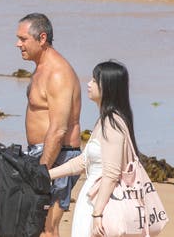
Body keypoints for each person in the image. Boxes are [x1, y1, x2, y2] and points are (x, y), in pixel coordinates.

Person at [47, 60, 139, 237]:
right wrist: (47, 174)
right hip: (95, 198)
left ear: (108, 87)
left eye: (95, 81)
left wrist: (97, 213)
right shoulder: (105, 120)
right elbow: (84, 162)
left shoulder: (112, 123)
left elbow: (111, 174)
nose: (89, 84)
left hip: (103, 203)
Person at [16, 13, 82, 237]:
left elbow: (59, 129)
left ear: (41, 38)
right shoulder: (41, 68)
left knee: (46, 227)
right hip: (43, 153)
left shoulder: (58, 73)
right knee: (36, 225)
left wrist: (41, 171)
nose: (18, 44)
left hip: (58, 155)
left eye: (23, 39)